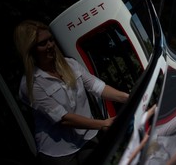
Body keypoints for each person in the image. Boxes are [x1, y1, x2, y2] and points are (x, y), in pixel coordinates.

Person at [13, 19, 130, 165]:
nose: (50, 45)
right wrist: (102, 124)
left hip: (87, 138)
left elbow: (97, 87)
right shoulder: (30, 84)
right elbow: (63, 118)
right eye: (43, 43)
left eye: (51, 40)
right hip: (58, 153)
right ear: (30, 50)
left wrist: (128, 98)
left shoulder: (71, 64)